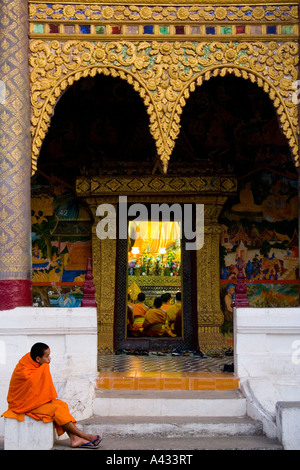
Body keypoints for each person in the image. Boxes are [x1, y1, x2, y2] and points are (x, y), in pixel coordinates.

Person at [1, 343, 102, 449]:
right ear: (38, 359)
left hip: (32, 401)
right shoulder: (26, 371)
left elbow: (37, 391)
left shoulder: (32, 359)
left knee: (62, 405)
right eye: (47, 356)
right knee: (57, 409)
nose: (50, 358)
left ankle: (74, 439)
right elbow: (31, 389)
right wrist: (44, 367)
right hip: (22, 405)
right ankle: (84, 436)